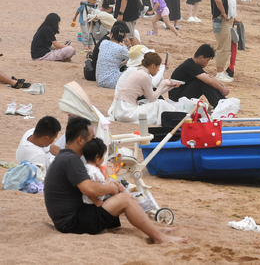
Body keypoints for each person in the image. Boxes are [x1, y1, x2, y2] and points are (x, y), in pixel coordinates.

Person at [44, 117, 187, 242]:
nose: (94, 141)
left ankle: (154, 230)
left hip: (68, 218)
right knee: (126, 199)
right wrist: (110, 188)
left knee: (121, 195)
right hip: (72, 222)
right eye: (92, 138)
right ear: (80, 140)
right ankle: (159, 238)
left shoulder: (65, 156)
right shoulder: (70, 160)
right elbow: (88, 188)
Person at [108, 52, 179, 125]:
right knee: (160, 104)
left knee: (157, 103)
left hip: (120, 110)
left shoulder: (138, 72)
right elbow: (153, 99)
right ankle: (178, 117)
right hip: (127, 111)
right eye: (158, 67)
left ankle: (177, 116)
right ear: (153, 66)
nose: (158, 70)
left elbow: (151, 95)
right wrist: (163, 83)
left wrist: (169, 87)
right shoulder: (144, 76)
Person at [96, 22, 130, 89]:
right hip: (112, 81)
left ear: (111, 35)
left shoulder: (103, 43)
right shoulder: (122, 49)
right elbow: (134, 57)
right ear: (123, 38)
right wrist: (128, 46)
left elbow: (111, 61)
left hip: (99, 80)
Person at [81, 138, 108, 206]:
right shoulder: (93, 172)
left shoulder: (86, 167)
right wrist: (95, 201)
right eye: (103, 155)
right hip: (92, 203)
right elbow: (90, 189)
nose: (103, 158)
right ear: (97, 157)